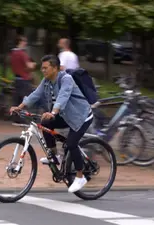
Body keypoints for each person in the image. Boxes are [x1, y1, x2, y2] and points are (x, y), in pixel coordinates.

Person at [10, 55, 93, 193]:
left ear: (55, 68)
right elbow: (35, 94)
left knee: (72, 144)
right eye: (42, 68)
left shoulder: (66, 79)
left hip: (81, 116)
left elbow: (63, 96)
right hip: (66, 115)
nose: (43, 70)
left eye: (45, 68)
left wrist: (53, 112)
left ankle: (80, 176)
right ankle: (55, 156)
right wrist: (20, 106)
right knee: (45, 122)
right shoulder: (47, 81)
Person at [10, 35, 36, 124]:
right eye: (24, 41)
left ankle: (16, 118)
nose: (26, 43)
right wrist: (33, 65)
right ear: (20, 42)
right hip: (24, 79)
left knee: (17, 99)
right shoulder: (22, 53)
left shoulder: (13, 53)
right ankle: (24, 118)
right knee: (26, 99)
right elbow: (29, 66)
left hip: (16, 78)